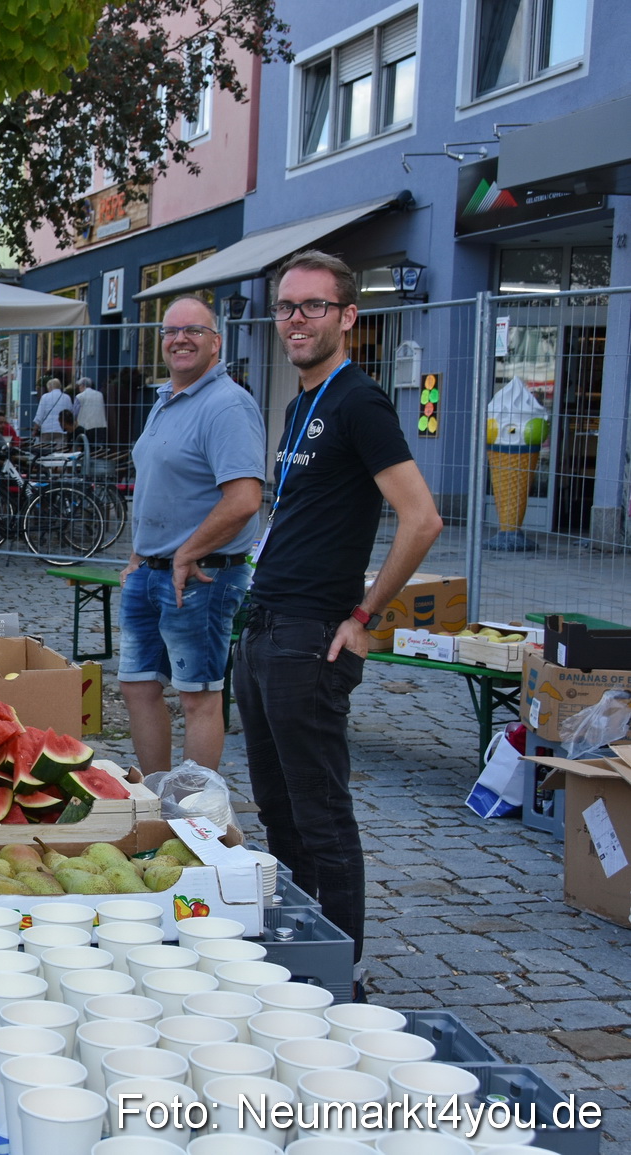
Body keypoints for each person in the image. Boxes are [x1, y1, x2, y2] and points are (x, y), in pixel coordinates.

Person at [237, 251, 443, 976]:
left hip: (312, 635)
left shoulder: (361, 401)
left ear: (347, 317)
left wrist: (365, 615)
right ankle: (300, 951)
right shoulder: (300, 405)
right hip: (263, 626)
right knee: (277, 809)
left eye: (313, 306)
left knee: (321, 812)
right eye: (286, 306)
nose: (296, 319)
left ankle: (344, 971)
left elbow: (421, 519)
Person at [118, 296, 265, 779]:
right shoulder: (166, 399)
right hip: (152, 569)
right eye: (170, 331)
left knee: (198, 696)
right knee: (138, 687)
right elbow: (160, 485)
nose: (180, 339)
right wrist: (139, 555)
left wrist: (186, 552)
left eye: (194, 331)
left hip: (202, 575)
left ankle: (193, 815)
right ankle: (159, 798)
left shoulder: (227, 405)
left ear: (216, 342)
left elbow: (244, 499)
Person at [74, 376, 107, 442]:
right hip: (100, 424)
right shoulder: (100, 394)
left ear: (82, 385)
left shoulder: (79, 396)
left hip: (86, 426)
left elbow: (75, 412)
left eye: (79, 386)